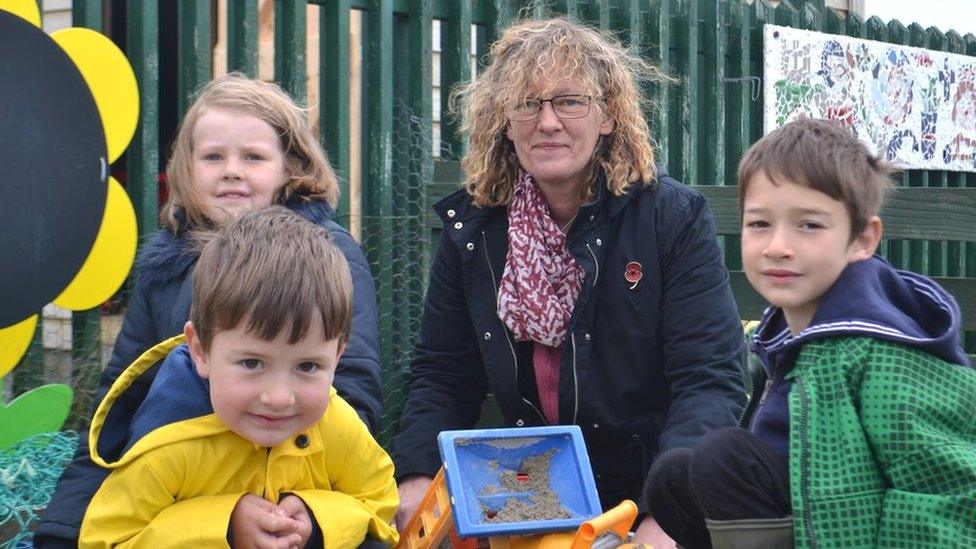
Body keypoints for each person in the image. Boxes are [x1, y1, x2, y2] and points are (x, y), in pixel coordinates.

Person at [392, 18, 746, 545]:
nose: (548, 122)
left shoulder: (670, 218)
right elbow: (444, 373)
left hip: (644, 493)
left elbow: (710, 380)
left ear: (607, 116)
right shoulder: (475, 228)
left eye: (569, 102)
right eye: (528, 104)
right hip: (524, 496)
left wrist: (664, 514)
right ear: (505, 123)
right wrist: (415, 475)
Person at [37, 74, 383, 547]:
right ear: (186, 168)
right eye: (213, 156)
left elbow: (353, 396)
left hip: (292, 494)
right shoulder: (165, 269)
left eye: (254, 157)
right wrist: (62, 529)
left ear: (290, 167)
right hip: (176, 495)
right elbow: (118, 400)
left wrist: (304, 509)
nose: (232, 170)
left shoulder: (326, 257)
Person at [644, 117, 976, 548]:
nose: (778, 245)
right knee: (676, 476)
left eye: (809, 226)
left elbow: (943, 489)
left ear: (862, 239)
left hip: (857, 532)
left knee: (722, 457)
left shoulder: (880, 349)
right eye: (760, 224)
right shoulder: (792, 329)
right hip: (810, 507)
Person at [78, 207, 398, 548]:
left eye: (307, 367)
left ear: (337, 356)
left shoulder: (338, 427)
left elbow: (380, 502)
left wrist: (317, 519)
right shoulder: (166, 447)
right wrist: (225, 527)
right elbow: (105, 540)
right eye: (252, 363)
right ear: (201, 351)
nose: (279, 398)